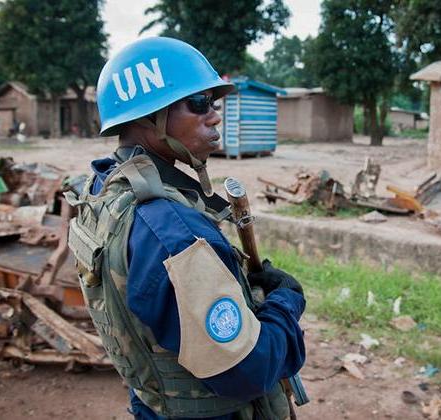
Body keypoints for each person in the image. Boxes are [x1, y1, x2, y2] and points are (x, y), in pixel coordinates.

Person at [66, 37, 306, 420]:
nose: (214, 116)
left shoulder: (103, 189)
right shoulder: (174, 234)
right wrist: (285, 303)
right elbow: (248, 370)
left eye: (213, 103)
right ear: (150, 116)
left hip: (154, 403)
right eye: (198, 103)